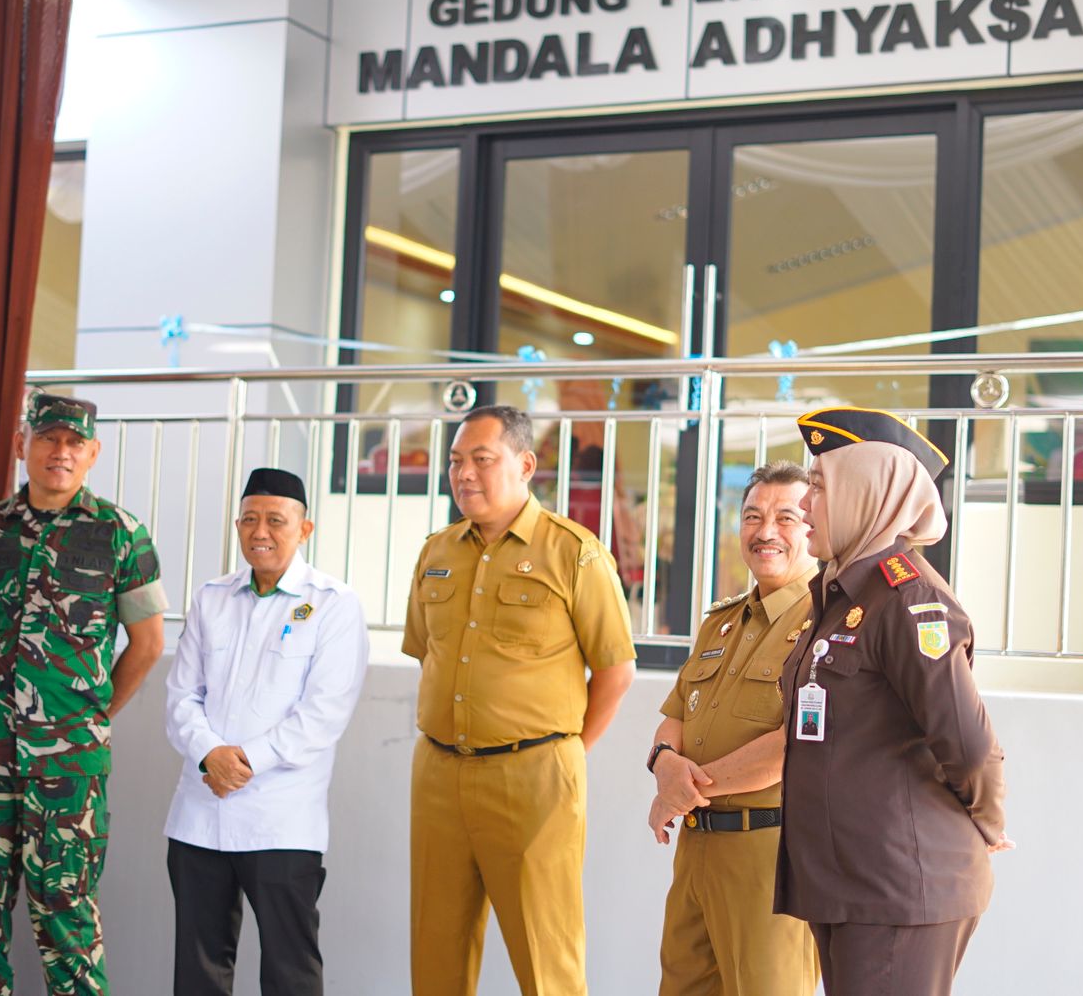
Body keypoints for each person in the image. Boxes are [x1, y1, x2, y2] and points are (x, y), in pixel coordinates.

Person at [0, 393, 168, 996]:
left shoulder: (121, 534)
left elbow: (146, 645)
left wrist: (90, 714)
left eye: (73, 443)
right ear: (23, 445)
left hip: (68, 762)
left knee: (65, 908)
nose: (59, 452)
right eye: (47, 438)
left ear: (92, 453)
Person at [776, 407, 1012, 996]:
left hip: (899, 886)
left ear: (867, 489)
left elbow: (969, 743)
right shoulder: (844, 594)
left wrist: (987, 819)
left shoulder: (908, 599)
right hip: (850, 882)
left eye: (820, 487)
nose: (805, 506)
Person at [403, 403, 636, 996]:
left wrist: (567, 753)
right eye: (456, 461)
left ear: (526, 463)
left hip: (535, 778)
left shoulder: (573, 553)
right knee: (436, 955)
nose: (465, 474)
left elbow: (615, 668)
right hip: (439, 774)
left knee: (546, 962)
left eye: (482, 459)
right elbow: (426, 652)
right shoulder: (436, 553)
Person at [164, 467, 369, 996]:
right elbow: (181, 697)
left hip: (281, 820)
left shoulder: (334, 604)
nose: (262, 531)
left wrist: (242, 762)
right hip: (199, 816)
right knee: (198, 967)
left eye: (276, 520)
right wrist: (211, 754)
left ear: (305, 529)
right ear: (237, 526)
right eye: (250, 519)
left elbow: (322, 714)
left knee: (289, 971)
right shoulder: (212, 597)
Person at [646, 461, 820, 996]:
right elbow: (674, 716)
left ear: (815, 526)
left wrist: (682, 791)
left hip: (770, 858)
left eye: (786, 518)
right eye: (752, 516)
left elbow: (798, 746)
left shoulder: (827, 622)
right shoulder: (719, 622)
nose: (765, 531)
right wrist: (663, 764)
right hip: (697, 850)